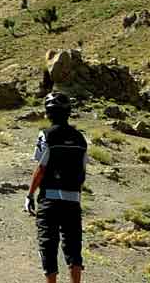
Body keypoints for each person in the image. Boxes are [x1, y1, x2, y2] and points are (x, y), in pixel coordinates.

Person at [27, 92, 88, 283]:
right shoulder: (80, 139)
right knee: (73, 249)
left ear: (48, 113)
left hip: (49, 200)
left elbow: (41, 168)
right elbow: (83, 173)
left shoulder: (46, 135)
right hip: (73, 200)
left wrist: (30, 194)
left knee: (48, 246)